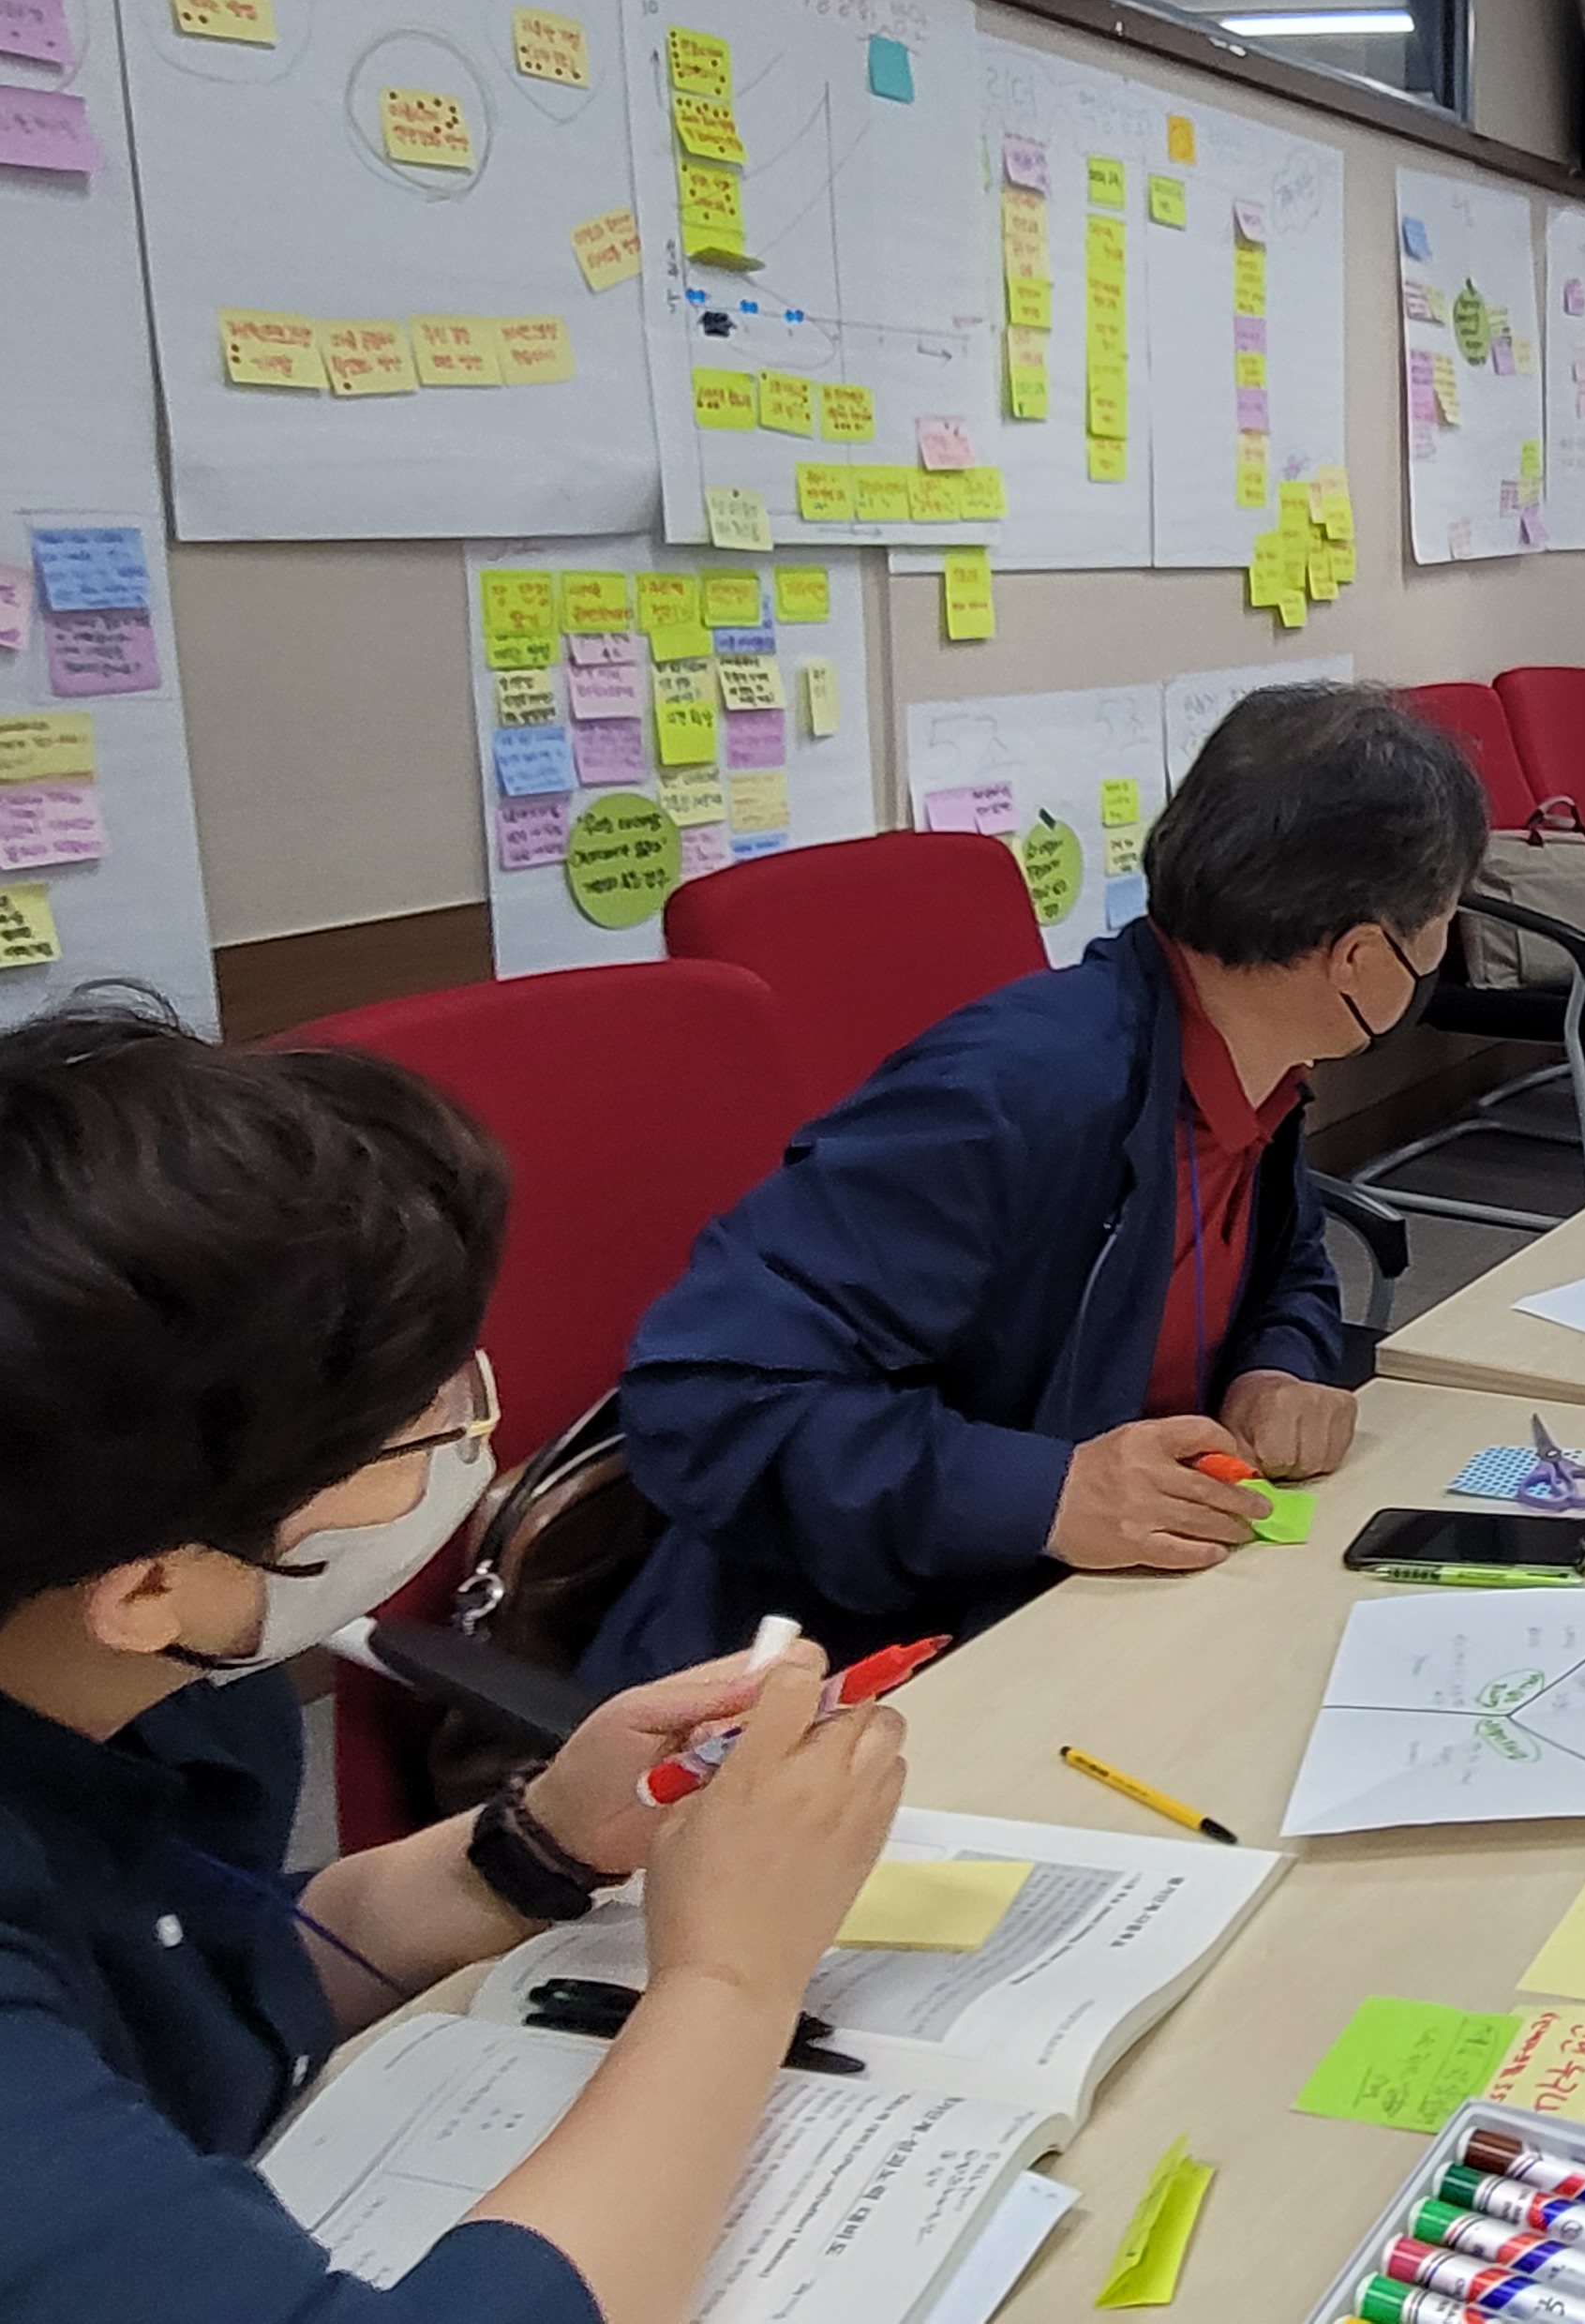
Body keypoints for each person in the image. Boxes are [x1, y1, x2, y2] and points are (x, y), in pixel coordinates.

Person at [0, 998, 904, 2323]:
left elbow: (199, 1969)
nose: (471, 1438)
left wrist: (542, 1843)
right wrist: (731, 1981)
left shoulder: (140, 1667)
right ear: (144, 1588)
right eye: (413, 1434)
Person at [588, 682, 1489, 1683]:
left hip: (1098, 1602)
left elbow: (1280, 1261)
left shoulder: (1249, 1064)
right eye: (1442, 922)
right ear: (1362, 957)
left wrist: (1276, 1364)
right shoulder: (1011, 1095)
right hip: (848, 1659)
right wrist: (1047, 1493)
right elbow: (699, 1398)